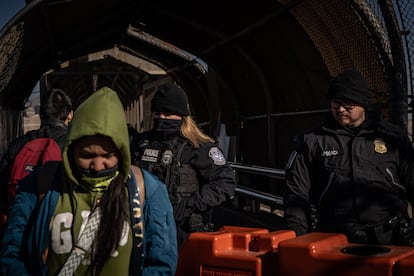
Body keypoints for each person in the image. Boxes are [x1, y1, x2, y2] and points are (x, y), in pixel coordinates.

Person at [0, 87, 177, 275]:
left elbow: (161, 261)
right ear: (70, 149)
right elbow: (13, 252)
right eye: (86, 155)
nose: (98, 165)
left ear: (122, 151)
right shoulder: (41, 184)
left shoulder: (147, 189)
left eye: (108, 155)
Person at [283, 69, 414, 246]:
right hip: (334, 239)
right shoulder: (312, 142)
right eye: (336, 103)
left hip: (389, 238)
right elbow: (296, 194)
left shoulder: (392, 137)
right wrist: (298, 240)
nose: (341, 109)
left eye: (348, 104)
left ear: (362, 103)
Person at [130, 82, 236, 247]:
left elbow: (225, 183)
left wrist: (189, 205)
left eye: (168, 113)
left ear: (181, 115)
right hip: (143, 229)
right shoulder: (140, 144)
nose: (162, 118)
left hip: (184, 234)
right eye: (157, 113)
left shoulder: (199, 147)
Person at [0, 88, 73, 231]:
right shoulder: (73, 145)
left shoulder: (19, 144)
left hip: (21, 223)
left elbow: (2, 186)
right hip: (58, 228)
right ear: (70, 114)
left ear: (41, 114)